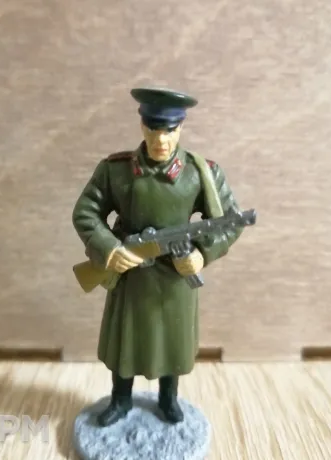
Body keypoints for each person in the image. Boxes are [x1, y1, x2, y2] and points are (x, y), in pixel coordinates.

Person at [72, 87, 244, 427]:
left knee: (172, 340)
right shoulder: (116, 170)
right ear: (142, 125)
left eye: (170, 129)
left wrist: (201, 255)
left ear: (181, 128)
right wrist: (110, 249)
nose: (161, 139)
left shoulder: (202, 172)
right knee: (126, 342)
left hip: (175, 276)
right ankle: (120, 399)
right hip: (131, 274)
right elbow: (86, 212)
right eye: (153, 128)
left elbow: (229, 222)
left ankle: (168, 399)